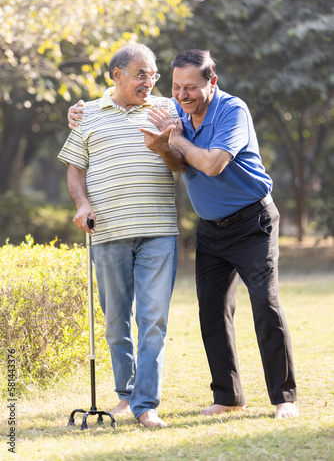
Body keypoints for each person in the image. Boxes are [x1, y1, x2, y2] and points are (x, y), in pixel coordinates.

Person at [67, 49, 299, 420]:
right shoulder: (173, 111)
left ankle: (284, 397)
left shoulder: (229, 111)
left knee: (264, 304)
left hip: (252, 223)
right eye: (176, 86)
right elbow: (173, 163)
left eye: (190, 87)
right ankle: (228, 395)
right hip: (211, 228)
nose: (182, 94)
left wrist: (173, 140)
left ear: (212, 82)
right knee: (211, 311)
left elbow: (210, 164)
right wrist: (78, 113)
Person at [58, 43, 185, 428]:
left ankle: (146, 404)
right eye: (141, 74)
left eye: (153, 74)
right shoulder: (88, 113)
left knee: (154, 319)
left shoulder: (168, 109)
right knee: (116, 320)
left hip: (158, 231)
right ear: (117, 75)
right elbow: (74, 170)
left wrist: (165, 146)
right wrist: (81, 204)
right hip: (108, 232)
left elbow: (180, 165)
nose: (150, 81)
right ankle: (125, 396)